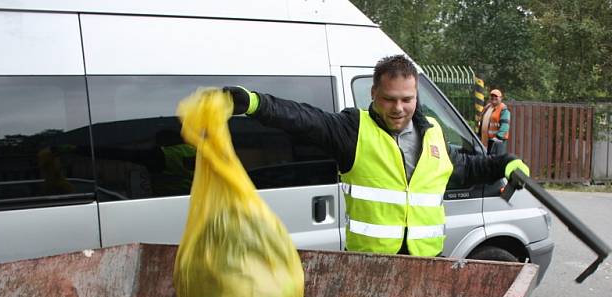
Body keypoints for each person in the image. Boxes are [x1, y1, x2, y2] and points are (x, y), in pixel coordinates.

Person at [223, 55, 529, 258]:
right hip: (371, 267)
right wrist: (254, 103)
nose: (398, 108)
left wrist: (505, 162)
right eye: (389, 99)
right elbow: (303, 118)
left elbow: (465, 167)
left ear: (416, 96)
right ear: (373, 95)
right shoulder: (352, 130)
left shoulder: (433, 132)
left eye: (407, 99)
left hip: (429, 264)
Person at [478, 88, 510, 155]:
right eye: (492, 96)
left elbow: (505, 126)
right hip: (486, 140)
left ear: (501, 98)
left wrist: (498, 137)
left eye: (496, 96)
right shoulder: (487, 107)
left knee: (496, 161)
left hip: (497, 141)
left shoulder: (503, 109)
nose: (493, 98)